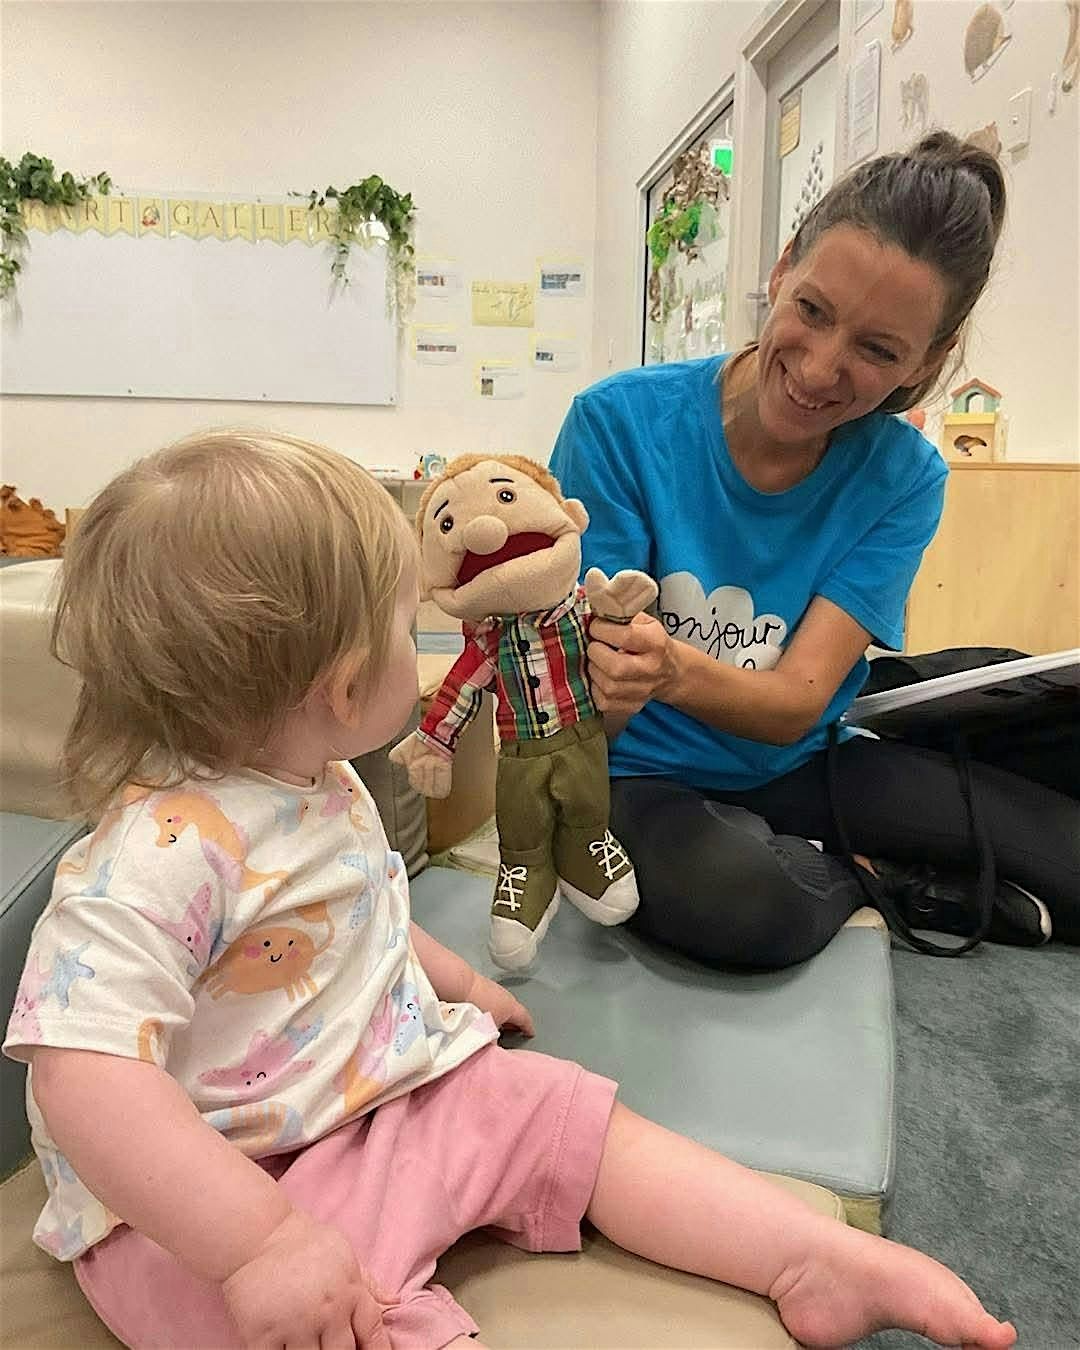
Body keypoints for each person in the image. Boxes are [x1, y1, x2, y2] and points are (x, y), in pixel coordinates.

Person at [4, 431, 1016, 1350]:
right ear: (346, 683)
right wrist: (258, 1245)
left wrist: (453, 982)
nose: (427, 641)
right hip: (214, 1193)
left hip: (381, 1098)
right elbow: (80, 1074)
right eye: (408, 626)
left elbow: (346, 917)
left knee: (567, 1116)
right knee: (244, 1311)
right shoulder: (160, 852)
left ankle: (804, 1256)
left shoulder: (320, 779)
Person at [550, 131, 1080, 970]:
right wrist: (609, 692)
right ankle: (878, 881)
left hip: (804, 759)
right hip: (640, 776)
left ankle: (866, 861)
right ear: (782, 268)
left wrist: (671, 670)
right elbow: (585, 713)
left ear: (929, 361)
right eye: (813, 311)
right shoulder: (616, 424)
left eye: (878, 351)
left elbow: (798, 701)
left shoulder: (905, 477)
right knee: (742, 905)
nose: (821, 369)